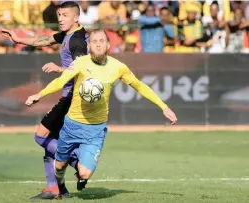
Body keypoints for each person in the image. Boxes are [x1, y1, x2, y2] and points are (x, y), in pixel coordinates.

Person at [25, 29, 178, 199]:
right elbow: (60, 81)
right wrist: (39, 94)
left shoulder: (118, 67)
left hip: (95, 130)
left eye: (101, 41)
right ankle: (61, 187)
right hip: (71, 125)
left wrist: (164, 107)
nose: (98, 44)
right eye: (94, 41)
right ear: (89, 45)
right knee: (59, 166)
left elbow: (140, 86)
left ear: (108, 45)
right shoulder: (80, 63)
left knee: (84, 173)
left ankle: (79, 170)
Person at [0, 1, 88, 200]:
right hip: (69, 95)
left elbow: (84, 69)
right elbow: (46, 39)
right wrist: (19, 39)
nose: (60, 19)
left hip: (74, 97)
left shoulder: (77, 41)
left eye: (65, 15)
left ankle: (79, 163)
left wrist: (59, 69)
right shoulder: (67, 35)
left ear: (76, 18)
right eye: (59, 15)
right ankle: (56, 188)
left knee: (41, 136)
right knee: (50, 142)